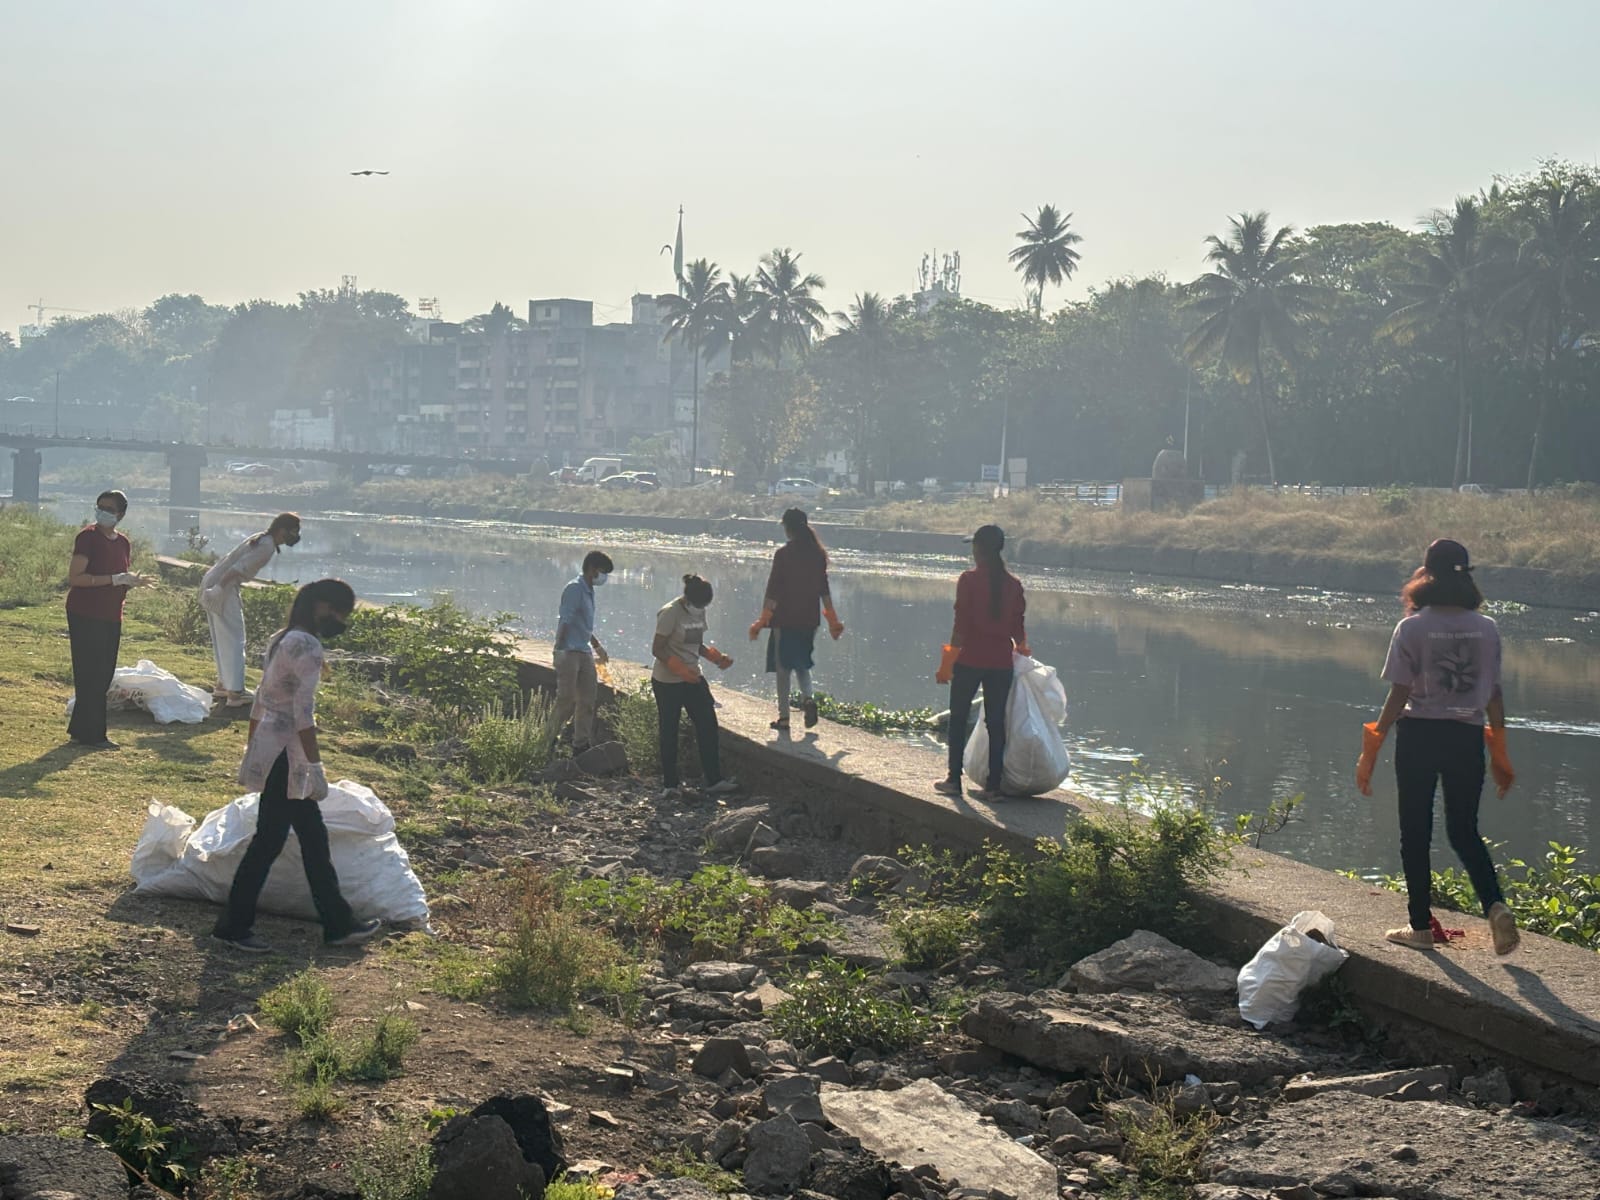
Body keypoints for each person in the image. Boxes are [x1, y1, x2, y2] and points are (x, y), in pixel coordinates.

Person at [1356, 538, 1519, 955]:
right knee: (1463, 830)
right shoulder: (1487, 628)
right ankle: (1495, 904)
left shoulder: (1412, 627)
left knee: (1415, 831)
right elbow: (1494, 695)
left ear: (1426, 574)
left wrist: (1372, 745)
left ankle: (1420, 928)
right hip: (1467, 737)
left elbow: (1399, 693)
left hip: (1419, 736)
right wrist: (1500, 752)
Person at [213, 578, 382, 954]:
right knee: (269, 842)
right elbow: (303, 714)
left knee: (312, 837)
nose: (340, 621)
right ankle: (233, 926)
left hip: (272, 747)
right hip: (288, 756)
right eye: (339, 613)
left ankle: (338, 923)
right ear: (322, 606)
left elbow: (261, 698)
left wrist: (252, 745)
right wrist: (315, 765)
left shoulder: (282, 638)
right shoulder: (306, 646)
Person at [934, 525, 1028, 800]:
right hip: (1001, 663)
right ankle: (994, 786)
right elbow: (1018, 628)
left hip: (970, 659)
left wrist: (947, 662)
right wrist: (1023, 650)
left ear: (978, 549)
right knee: (996, 723)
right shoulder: (1014, 585)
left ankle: (953, 780)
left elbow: (960, 625)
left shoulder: (968, 580)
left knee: (958, 718)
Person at [64, 490, 155, 749]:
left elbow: (117, 578)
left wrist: (129, 582)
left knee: (103, 674)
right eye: (100, 507)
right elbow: (76, 578)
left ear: (121, 514)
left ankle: (80, 730)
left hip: (111, 614)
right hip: (85, 613)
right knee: (89, 673)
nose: (103, 512)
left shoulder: (123, 542)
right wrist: (114, 579)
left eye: (109, 509)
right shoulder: (88, 537)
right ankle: (94, 735)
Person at [749, 508, 844, 731]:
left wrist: (762, 620)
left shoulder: (783, 554)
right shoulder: (818, 555)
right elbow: (824, 590)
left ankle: (784, 718)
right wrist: (833, 621)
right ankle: (808, 698)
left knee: (783, 668)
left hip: (785, 619)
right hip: (809, 620)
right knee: (802, 663)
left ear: (787, 528)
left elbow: (773, 591)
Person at [201, 513, 302, 708]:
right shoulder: (266, 546)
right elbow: (237, 569)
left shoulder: (261, 538)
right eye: (293, 531)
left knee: (222, 637)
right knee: (235, 639)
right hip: (223, 585)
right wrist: (220, 589)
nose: (295, 536)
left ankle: (223, 685)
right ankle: (235, 694)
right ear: (282, 530)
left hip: (214, 581)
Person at [652, 574, 739, 800]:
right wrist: (678, 668)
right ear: (688, 599)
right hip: (667, 681)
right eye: (699, 604)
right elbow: (657, 649)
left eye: (704, 606)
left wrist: (716, 658)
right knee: (669, 729)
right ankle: (670, 785)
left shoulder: (698, 611)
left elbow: (696, 644)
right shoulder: (670, 613)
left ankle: (714, 780)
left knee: (708, 724)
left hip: (693, 678)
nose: (701, 608)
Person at [555, 550, 613, 753]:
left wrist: (597, 646)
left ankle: (580, 744)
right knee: (566, 700)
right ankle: (548, 741)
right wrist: (559, 649)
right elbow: (566, 620)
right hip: (569, 651)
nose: (603, 577)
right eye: (602, 572)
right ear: (592, 569)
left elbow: (583, 625)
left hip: (584, 651)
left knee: (587, 700)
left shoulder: (589, 591)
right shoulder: (575, 589)